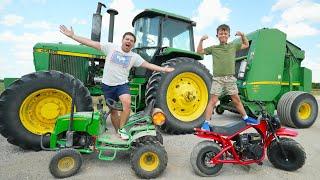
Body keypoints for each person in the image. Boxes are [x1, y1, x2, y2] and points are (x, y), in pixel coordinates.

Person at [59, 25, 174, 139]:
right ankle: (118, 132)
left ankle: (123, 128)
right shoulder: (111, 47)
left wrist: (163, 69)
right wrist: (73, 36)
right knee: (113, 111)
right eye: (127, 39)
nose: (129, 41)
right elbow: (91, 43)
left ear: (133, 44)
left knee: (127, 104)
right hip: (107, 85)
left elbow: (148, 65)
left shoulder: (134, 56)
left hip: (122, 85)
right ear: (122, 40)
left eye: (131, 40)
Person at [197, 24, 259, 130]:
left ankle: (246, 118)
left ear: (228, 35)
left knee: (237, 100)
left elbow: (246, 44)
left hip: (230, 79)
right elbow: (199, 52)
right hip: (218, 79)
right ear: (217, 35)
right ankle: (206, 123)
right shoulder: (214, 48)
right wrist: (201, 40)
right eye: (221, 33)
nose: (223, 35)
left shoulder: (233, 46)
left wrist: (242, 35)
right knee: (213, 101)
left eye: (225, 33)